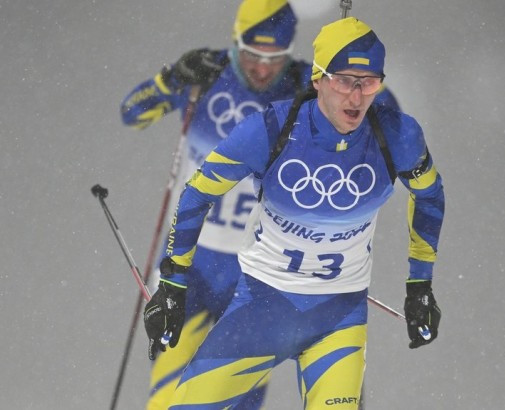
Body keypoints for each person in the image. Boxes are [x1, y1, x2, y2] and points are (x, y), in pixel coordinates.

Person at [143, 16, 440, 409]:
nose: (356, 97)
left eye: (368, 82)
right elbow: (197, 192)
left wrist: (420, 285)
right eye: (344, 80)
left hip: (338, 320)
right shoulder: (269, 130)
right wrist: (173, 283)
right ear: (318, 78)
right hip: (260, 308)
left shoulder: (397, 136)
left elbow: (431, 196)